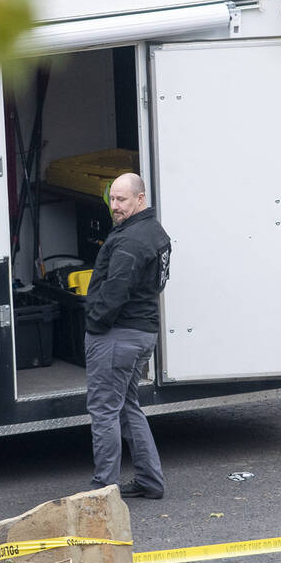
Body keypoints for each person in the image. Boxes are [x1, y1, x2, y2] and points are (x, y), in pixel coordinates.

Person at [84, 172, 172, 500]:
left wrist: (94, 323)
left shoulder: (131, 240)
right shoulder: (154, 232)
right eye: (112, 199)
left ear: (140, 199)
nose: (115, 206)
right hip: (142, 332)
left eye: (122, 199)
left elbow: (115, 291)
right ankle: (150, 481)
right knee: (126, 406)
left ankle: (103, 490)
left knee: (105, 409)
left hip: (117, 335)